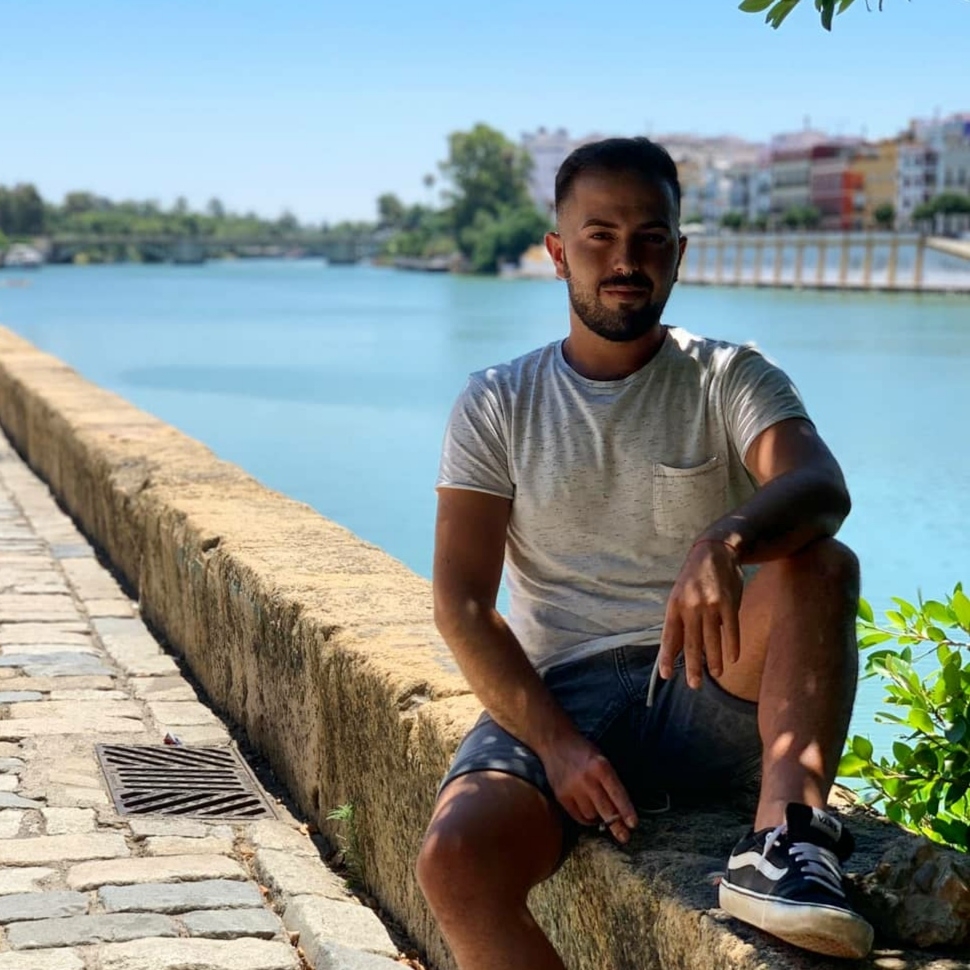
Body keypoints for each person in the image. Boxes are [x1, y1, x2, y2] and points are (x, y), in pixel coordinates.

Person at [416, 137, 874, 969]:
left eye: (650, 238)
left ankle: (783, 842)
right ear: (559, 252)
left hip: (709, 680)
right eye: (600, 236)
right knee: (456, 863)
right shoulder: (496, 402)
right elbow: (463, 606)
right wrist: (558, 746)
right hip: (562, 693)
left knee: (821, 561)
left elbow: (819, 484)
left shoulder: (729, 374)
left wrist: (724, 539)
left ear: (679, 253)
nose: (626, 261)